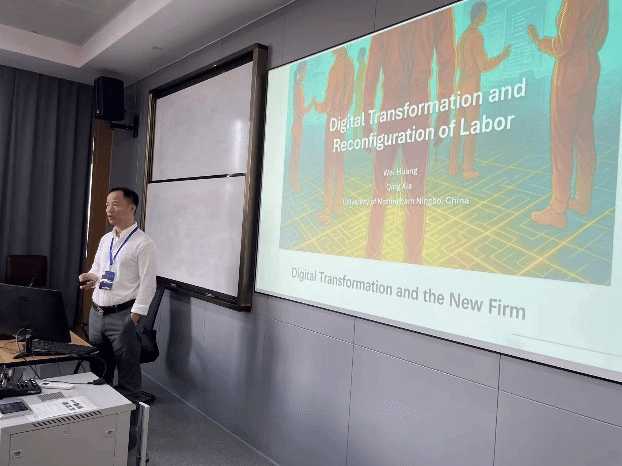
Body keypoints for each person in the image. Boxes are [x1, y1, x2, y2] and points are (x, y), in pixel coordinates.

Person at [364, 8, 456, 263]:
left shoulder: (385, 13)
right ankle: (407, 262)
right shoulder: (438, 12)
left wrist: (366, 117)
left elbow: (372, 72)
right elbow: (447, 61)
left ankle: (378, 260)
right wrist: (444, 113)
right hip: (411, 107)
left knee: (384, 192)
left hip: (400, 107)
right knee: (409, 193)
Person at [79, 187, 157, 450]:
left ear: (131, 208)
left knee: (128, 380)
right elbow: (98, 269)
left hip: (123, 317)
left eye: (115, 204)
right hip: (97, 315)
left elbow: (148, 286)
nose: (108, 210)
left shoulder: (143, 243)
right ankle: (100, 431)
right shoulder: (106, 239)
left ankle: (126, 439)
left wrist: (132, 319)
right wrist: (91, 277)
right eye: (106, 205)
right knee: (98, 374)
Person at [528, 0, 609, 229]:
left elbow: (562, 46)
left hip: (570, 69)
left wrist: (539, 41)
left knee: (562, 142)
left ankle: (558, 210)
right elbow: (601, 36)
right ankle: (582, 200)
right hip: (591, 65)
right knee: (585, 136)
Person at [448, 1, 511, 179]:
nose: (486, 15)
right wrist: (502, 57)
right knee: (471, 128)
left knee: (458, 128)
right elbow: (483, 65)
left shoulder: (463, 37)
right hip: (471, 86)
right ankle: (467, 169)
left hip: (460, 85)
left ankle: (453, 165)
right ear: (479, 13)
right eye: (484, 12)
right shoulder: (476, 36)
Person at [313, 47, 355, 224]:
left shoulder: (335, 68)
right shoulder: (350, 64)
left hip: (333, 120)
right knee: (340, 163)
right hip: (342, 120)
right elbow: (350, 97)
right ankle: (338, 206)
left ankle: (326, 212)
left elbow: (327, 104)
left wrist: (316, 106)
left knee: (329, 165)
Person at [288, 62, 315, 192]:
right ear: (301, 71)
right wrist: (311, 105)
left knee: (295, 155)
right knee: (295, 156)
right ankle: (293, 182)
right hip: (297, 126)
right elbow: (301, 111)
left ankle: (293, 180)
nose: (306, 73)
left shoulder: (298, 87)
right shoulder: (298, 88)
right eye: (305, 71)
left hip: (298, 125)